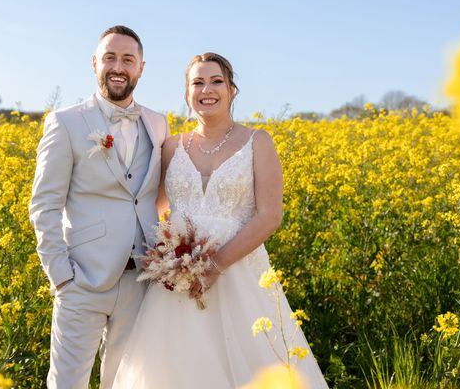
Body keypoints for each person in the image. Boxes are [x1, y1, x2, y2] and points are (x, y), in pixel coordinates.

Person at [112, 53, 328, 388]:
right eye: (197, 82)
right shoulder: (171, 146)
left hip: (239, 272)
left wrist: (216, 264)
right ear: (187, 93)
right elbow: (150, 207)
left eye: (216, 81)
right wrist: (166, 255)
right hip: (178, 280)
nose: (206, 89)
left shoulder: (258, 141)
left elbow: (270, 215)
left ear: (231, 90)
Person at [29, 25, 169, 389]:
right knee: (67, 383)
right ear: (94, 63)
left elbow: (154, 196)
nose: (118, 67)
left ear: (141, 67)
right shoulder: (66, 122)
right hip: (82, 279)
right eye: (110, 58)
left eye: (127, 59)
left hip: (140, 280)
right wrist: (61, 274)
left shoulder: (157, 123)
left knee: (125, 383)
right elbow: (44, 204)